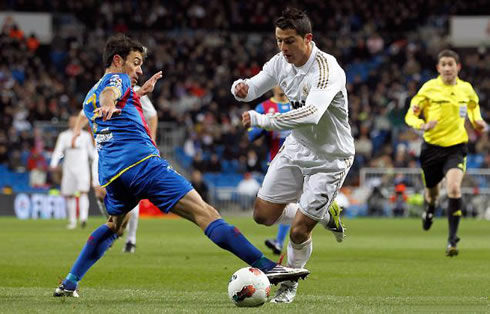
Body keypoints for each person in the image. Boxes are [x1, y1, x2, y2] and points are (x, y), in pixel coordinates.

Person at [54, 34, 309, 298]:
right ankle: (266, 266)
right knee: (206, 213)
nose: (140, 70)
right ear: (118, 60)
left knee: (114, 226)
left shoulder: (90, 93)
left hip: (112, 175)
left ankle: (70, 281)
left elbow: (111, 97)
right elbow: (111, 92)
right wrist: (110, 103)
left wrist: (138, 94)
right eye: (136, 63)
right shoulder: (115, 80)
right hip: (143, 165)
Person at [231, 8, 355, 303]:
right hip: (297, 148)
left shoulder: (328, 70)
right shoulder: (279, 62)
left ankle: (289, 284)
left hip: (330, 158)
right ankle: (325, 214)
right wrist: (241, 88)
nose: (283, 48)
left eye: (289, 41)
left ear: (307, 39)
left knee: (299, 231)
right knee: (262, 215)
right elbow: (253, 87)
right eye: (278, 41)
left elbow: (311, 114)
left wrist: (263, 121)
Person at [405, 49, 488, 257]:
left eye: (451, 64)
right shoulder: (429, 88)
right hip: (431, 148)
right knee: (432, 193)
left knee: (453, 188)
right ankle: (430, 208)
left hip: (456, 147)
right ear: (438, 68)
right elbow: (411, 113)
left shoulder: (467, 89)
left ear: (458, 67)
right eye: (444, 64)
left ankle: (452, 240)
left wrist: (478, 122)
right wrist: (421, 124)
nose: (448, 68)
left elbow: (473, 108)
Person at [74, 82, 159, 254]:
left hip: (128, 149)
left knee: (132, 194)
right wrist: (77, 130)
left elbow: (153, 115)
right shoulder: (101, 88)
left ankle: (130, 240)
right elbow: (84, 114)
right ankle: (114, 226)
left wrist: (153, 138)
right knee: (99, 191)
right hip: (104, 149)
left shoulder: (134, 90)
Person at [247, 86, 293, 255]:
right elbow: (251, 135)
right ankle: (283, 242)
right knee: (278, 206)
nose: (282, 85)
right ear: (273, 84)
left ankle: (283, 242)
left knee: (290, 202)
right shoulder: (264, 107)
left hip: (300, 161)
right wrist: (266, 123)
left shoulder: (298, 103)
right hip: (275, 162)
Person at [50, 115, 95, 229]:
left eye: (75, 121)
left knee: (83, 192)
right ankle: (72, 221)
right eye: (71, 121)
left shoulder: (85, 136)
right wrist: (54, 164)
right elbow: (58, 150)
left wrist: (98, 163)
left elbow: (91, 153)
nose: (73, 123)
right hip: (68, 168)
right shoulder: (64, 136)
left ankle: (83, 218)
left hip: (82, 167)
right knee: (70, 195)